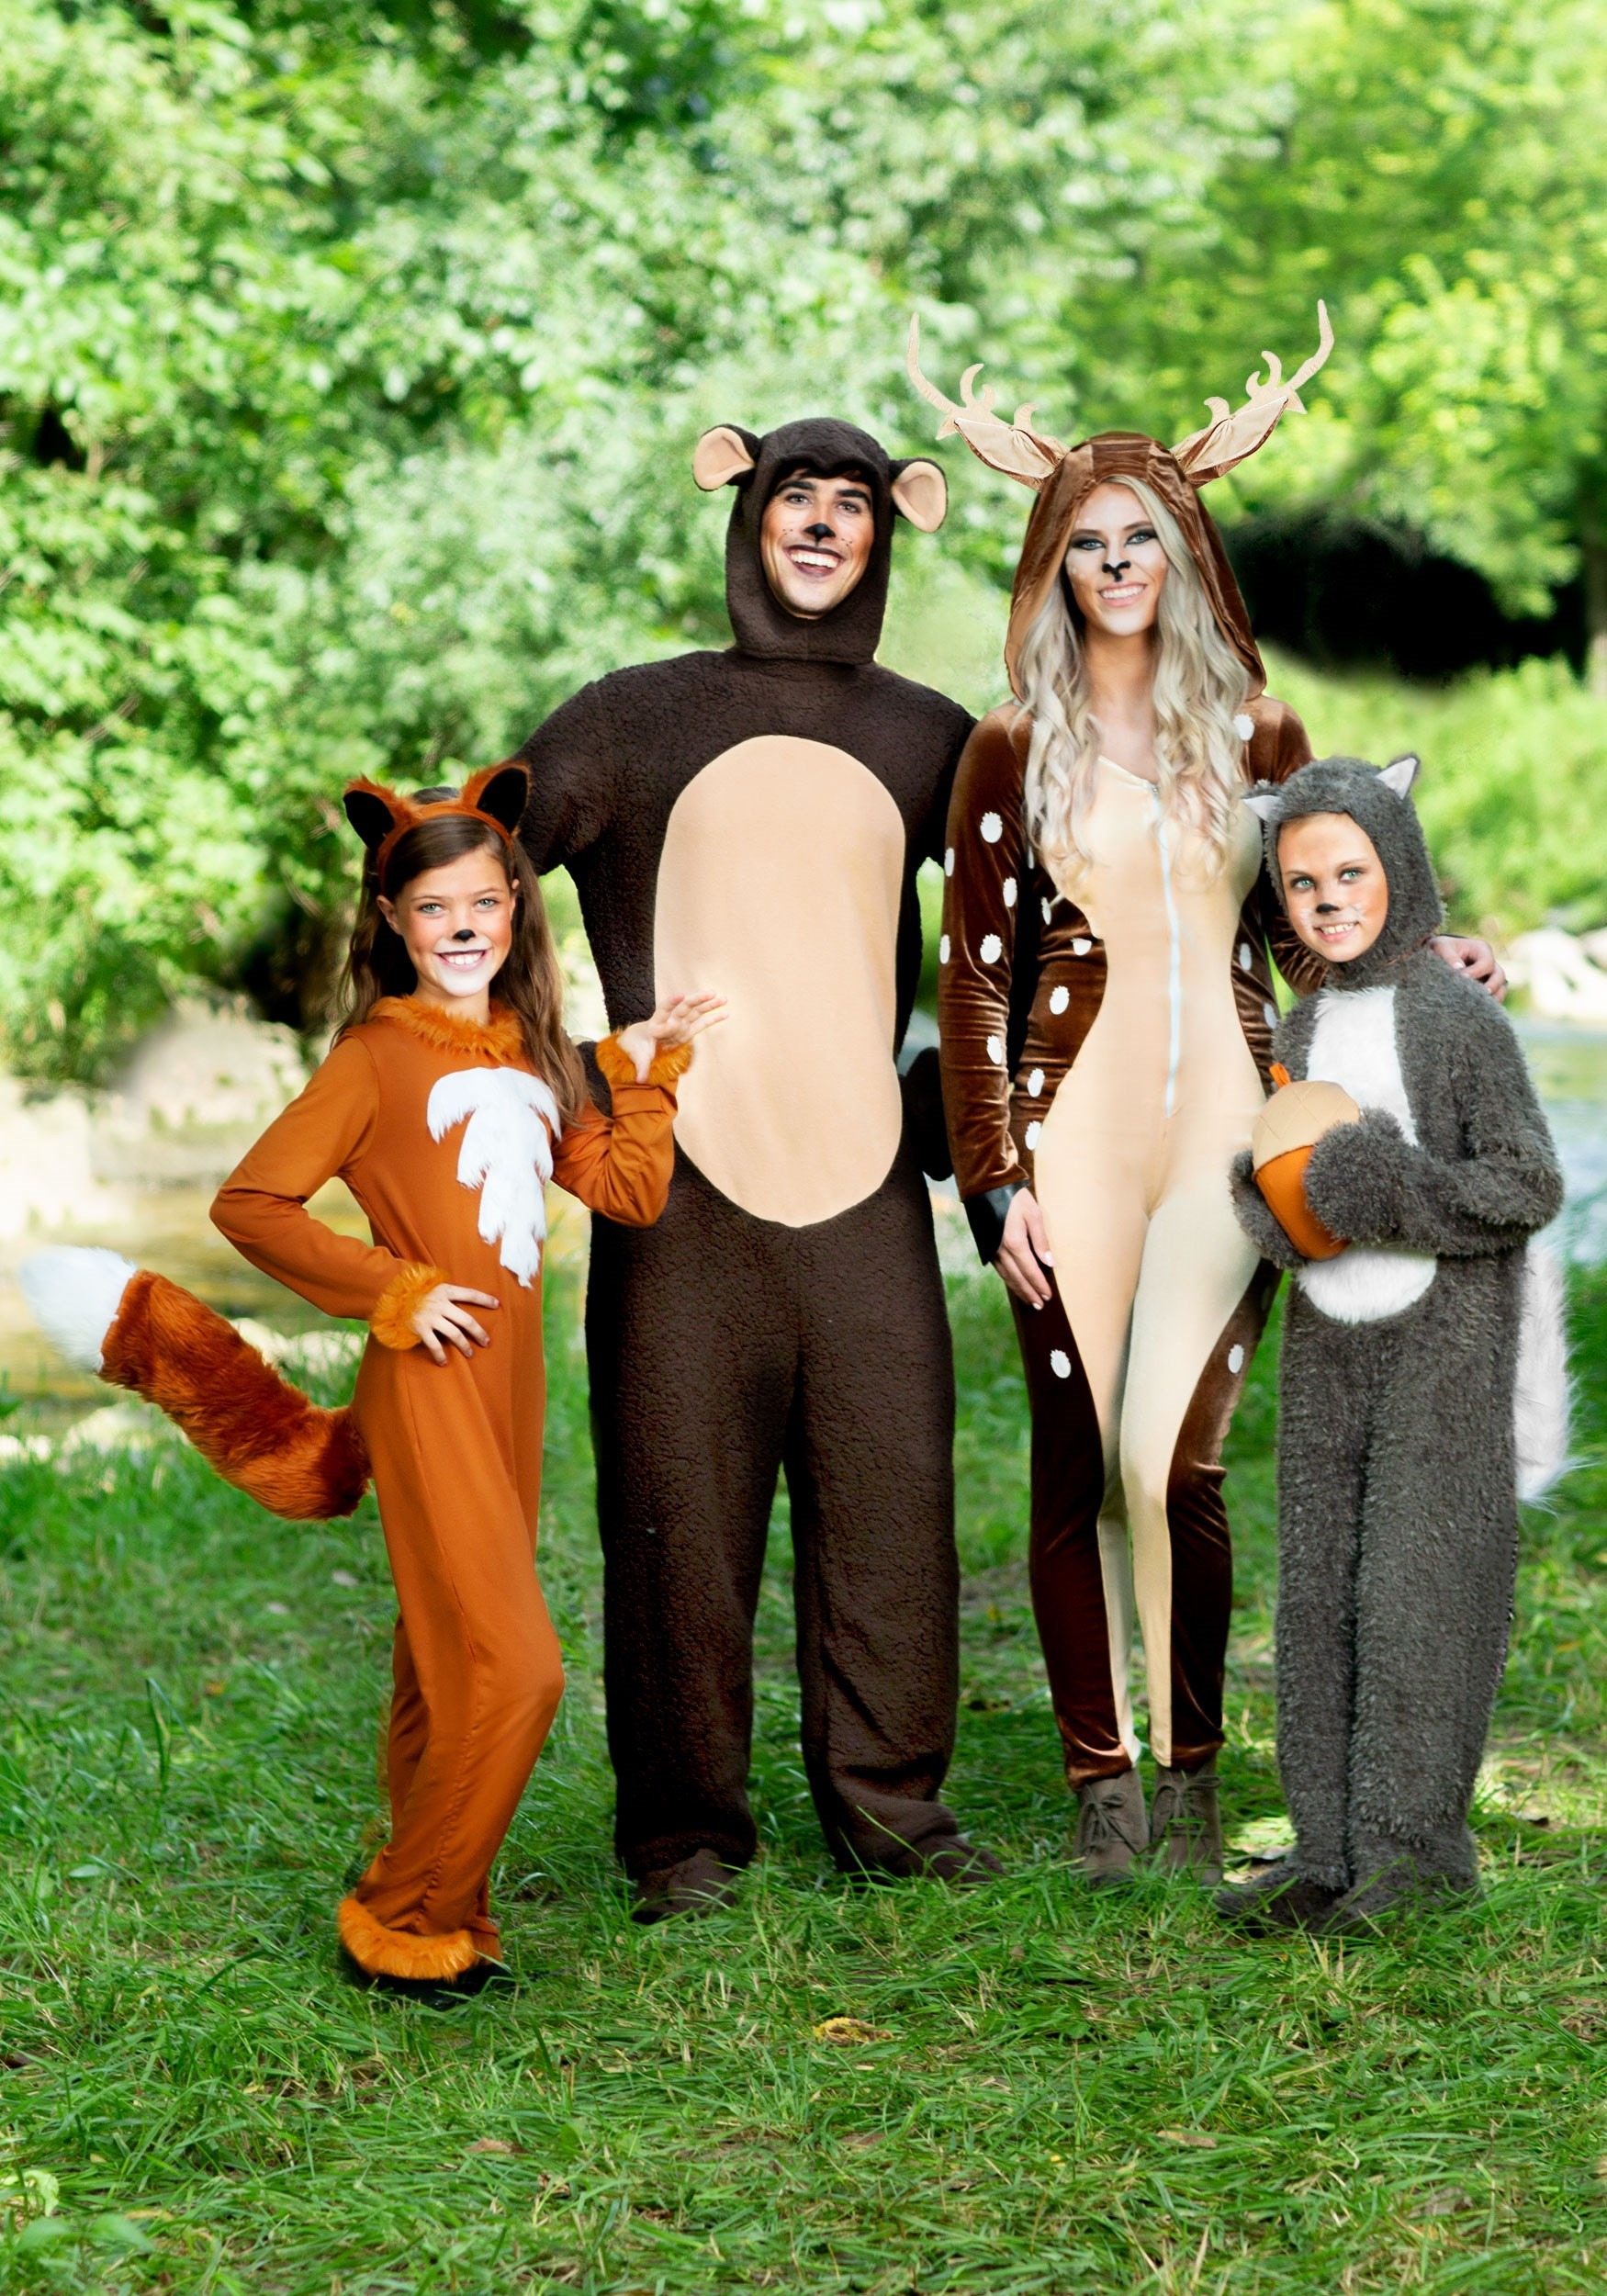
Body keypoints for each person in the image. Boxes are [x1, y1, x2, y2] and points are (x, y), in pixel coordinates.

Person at [913, 310, 1509, 1885]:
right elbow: (971, 983)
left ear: (1184, 555)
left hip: (1227, 1145)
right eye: (1090, 542)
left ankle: (1187, 1776)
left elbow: (1316, 927)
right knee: (1077, 1459)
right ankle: (1100, 1785)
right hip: (1066, 1140)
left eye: (1144, 540)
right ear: (1054, 561)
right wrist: (991, 1182)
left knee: (1167, 1461)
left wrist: (1429, 955)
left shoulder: (1259, 732)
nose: (1118, 564)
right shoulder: (1008, 748)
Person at [22, 765, 721, 1995]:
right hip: (429, 1381)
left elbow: (625, 1190)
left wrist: (648, 1072)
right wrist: (393, 1287)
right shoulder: (373, 1057)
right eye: (435, 908)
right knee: (518, 1670)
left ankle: (453, 1910)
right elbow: (251, 1202)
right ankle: (404, 1914)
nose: (463, 927)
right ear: (393, 920)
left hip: (510, 1394)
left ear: (516, 908)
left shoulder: (531, 1048)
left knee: (443, 1664)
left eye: (485, 902)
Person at [517, 414, 998, 1920]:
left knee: (893, 1508)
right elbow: (455, 872)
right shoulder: (630, 719)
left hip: (866, 1197)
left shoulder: (931, 737)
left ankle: (892, 1808)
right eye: (800, 495)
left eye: (854, 504)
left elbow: (1054, 920)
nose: (824, 524)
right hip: (679, 1205)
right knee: (677, 1522)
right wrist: (564, 1080)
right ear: (747, 507)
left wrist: (951, 1108)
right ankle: (683, 1839)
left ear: (888, 531)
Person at [1219, 754, 1564, 1931]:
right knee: (1319, 1593)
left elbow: (1523, 1183)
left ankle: (1415, 1859)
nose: (1327, 900)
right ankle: (1325, 1849)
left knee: (1418, 1593)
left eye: (1350, 873)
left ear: (1399, 865)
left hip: (1443, 1351)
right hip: (1329, 1345)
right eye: (1302, 882)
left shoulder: (1457, 1018)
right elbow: (1303, 1174)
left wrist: (1387, 1185)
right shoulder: (1305, 1021)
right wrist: (1271, 1202)